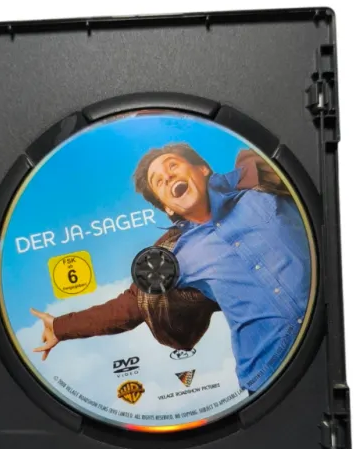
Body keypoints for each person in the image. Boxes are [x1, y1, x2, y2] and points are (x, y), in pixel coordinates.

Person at [30, 144, 311, 393]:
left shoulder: (262, 188)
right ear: (168, 208)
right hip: (269, 373)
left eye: (173, 165)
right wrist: (60, 327)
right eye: (158, 182)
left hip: (326, 327)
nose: (167, 177)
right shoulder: (177, 256)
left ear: (202, 169)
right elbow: (127, 308)